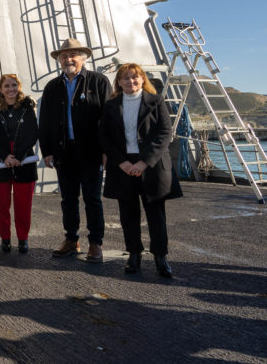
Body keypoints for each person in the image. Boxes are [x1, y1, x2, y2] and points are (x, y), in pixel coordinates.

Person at [99, 63, 181, 277]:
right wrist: (122, 162)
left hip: (151, 166)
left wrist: (144, 162)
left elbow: (164, 133)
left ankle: (160, 256)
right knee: (128, 213)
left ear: (143, 79)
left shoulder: (156, 101)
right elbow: (104, 137)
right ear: (118, 82)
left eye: (135, 77)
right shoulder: (110, 106)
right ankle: (134, 254)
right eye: (125, 78)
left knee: (156, 213)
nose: (130, 81)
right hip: (123, 165)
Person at [39, 38, 111, 263]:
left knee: (92, 199)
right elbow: (46, 121)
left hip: (91, 152)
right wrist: (47, 150)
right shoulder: (53, 86)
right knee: (68, 199)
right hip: (63, 152)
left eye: (73, 55)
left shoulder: (99, 81)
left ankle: (95, 243)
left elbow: (108, 119)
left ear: (83, 57)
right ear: (59, 60)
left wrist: (106, 150)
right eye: (63, 56)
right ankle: (71, 240)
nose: (68, 59)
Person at [0, 74, 38, 253]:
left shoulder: (27, 107)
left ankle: (23, 238)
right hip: (0, 162)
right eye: (6, 86)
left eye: (14, 85)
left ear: (19, 87)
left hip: (24, 163)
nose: (11, 89)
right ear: (0, 89)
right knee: (1, 205)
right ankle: (5, 238)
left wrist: (19, 157)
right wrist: (5, 157)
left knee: (23, 205)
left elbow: (32, 133)